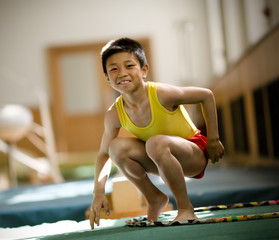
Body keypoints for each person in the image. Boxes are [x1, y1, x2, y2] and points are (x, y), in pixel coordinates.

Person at [89, 38, 224, 229]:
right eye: (113, 69)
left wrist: (213, 139)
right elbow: (103, 155)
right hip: (159, 156)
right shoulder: (113, 114)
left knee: (155, 142)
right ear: (108, 79)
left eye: (129, 66)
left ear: (144, 70)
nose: (122, 73)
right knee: (115, 148)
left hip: (194, 153)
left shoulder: (162, 94)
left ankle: (185, 208)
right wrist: (99, 192)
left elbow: (206, 95)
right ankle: (154, 198)